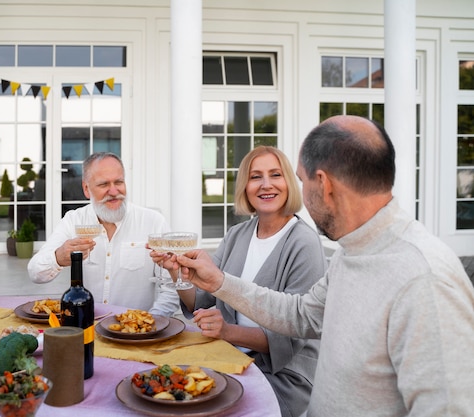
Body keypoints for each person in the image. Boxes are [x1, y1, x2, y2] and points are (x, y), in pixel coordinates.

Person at [173, 115, 474, 416]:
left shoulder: (425, 277)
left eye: (301, 181)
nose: (298, 192)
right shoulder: (351, 250)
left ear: (324, 184)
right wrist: (219, 283)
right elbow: (301, 314)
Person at [157, 146, 325, 417]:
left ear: (289, 183)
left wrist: (227, 332)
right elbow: (203, 302)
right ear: (245, 186)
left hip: (278, 376)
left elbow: (293, 336)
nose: (266, 185)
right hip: (227, 359)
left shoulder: (303, 243)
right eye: (256, 176)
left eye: (275, 175)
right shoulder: (237, 234)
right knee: (165, 390)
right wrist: (176, 272)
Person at [27, 152, 179, 316]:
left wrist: (149, 323)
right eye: (104, 184)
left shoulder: (153, 221)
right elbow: (35, 272)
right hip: (87, 326)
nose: (114, 191)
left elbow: (172, 289)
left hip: (136, 335)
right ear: (86, 189)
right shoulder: (74, 220)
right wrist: (58, 257)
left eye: (119, 182)